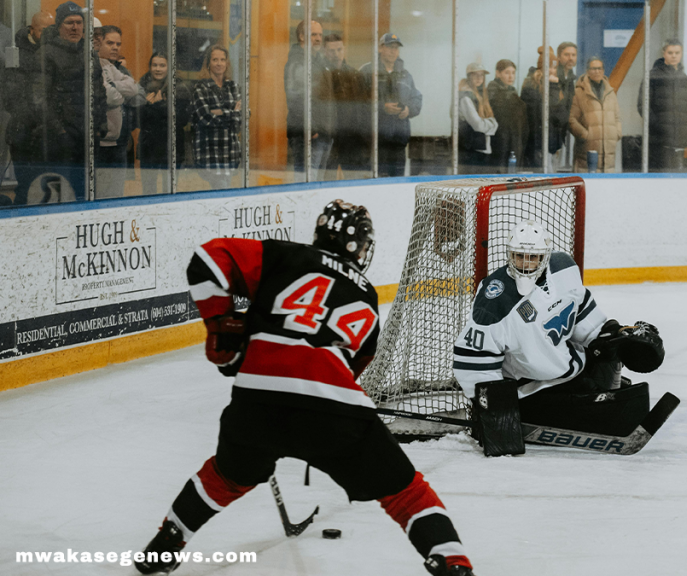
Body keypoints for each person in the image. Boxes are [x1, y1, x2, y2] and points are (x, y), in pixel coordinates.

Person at [134, 201, 476, 576]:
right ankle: (451, 560)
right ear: (356, 247)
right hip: (334, 409)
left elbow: (207, 260)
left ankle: (167, 542)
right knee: (404, 491)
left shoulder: (281, 255)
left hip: (257, 400)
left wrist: (222, 326)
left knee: (227, 475)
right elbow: (350, 370)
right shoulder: (367, 298)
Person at [453, 220, 664, 457]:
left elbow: (580, 308)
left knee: (610, 354)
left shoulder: (563, 268)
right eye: (519, 256)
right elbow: (471, 360)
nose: (525, 264)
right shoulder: (496, 301)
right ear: (509, 255)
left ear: (545, 256)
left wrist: (612, 332)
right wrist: (494, 413)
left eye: (532, 257)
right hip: (528, 387)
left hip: (569, 366)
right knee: (616, 411)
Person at [40, 1, 106, 201]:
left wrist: (100, 124)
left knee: (86, 193)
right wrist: (59, 131)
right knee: (59, 195)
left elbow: (99, 93)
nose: (75, 27)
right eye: (70, 22)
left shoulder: (89, 54)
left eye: (79, 22)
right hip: (60, 139)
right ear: (59, 25)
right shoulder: (45, 54)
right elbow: (39, 98)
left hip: (87, 137)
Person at [6, 11, 53, 205]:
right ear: (32, 29)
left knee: (48, 184)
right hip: (23, 128)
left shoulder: (54, 52)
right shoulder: (15, 51)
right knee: (25, 184)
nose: (48, 35)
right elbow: (11, 92)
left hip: (48, 129)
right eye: (43, 30)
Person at [360, 32, 422, 178]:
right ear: (380, 48)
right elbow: (358, 103)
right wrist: (382, 108)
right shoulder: (367, 72)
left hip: (398, 142)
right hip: (375, 142)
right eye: (389, 47)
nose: (393, 51)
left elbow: (417, 98)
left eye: (396, 48)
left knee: (397, 184)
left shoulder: (406, 75)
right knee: (375, 185)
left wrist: (408, 109)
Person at [94, 26, 143, 199]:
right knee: (99, 195)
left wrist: (114, 87)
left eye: (118, 44)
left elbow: (136, 92)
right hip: (100, 143)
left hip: (120, 141)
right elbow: (109, 97)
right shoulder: (94, 65)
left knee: (116, 196)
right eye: (110, 43)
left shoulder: (118, 69)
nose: (115, 47)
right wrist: (120, 93)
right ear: (98, 43)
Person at [284, 20, 334, 181]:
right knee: (306, 185)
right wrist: (311, 129)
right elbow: (296, 98)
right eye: (313, 34)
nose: (319, 38)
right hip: (309, 136)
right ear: (301, 37)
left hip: (324, 134)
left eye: (320, 34)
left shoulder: (320, 61)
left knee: (317, 186)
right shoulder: (298, 62)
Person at [137, 52, 192, 195]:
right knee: (148, 191)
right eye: (154, 65)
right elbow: (137, 121)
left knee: (170, 191)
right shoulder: (141, 86)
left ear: (169, 67)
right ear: (149, 67)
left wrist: (159, 105)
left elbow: (182, 120)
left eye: (162, 65)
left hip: (172, 147)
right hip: (149, 147)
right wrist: (148, 106)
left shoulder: (180, 87)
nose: (158, 69)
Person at [191, 44, 241, 190]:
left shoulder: (233, 86)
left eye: (222, 60)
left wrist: (220, 112)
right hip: (210, 151)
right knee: (220, 190)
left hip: (230, 151)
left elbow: (243, 117)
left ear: (227, 63)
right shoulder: (201, 87)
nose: (219, 63)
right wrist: (232, 113)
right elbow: (206, 118)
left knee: (225, 191)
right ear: (208, 63)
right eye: (215, 60)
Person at [639, 39, 687, 172]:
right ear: (664, 53)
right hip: (659, 142)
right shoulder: (652, 77)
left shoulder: (686, 79)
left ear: (681, 54)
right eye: (670, 52)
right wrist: (658, 126)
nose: (674, 56)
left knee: (680, 181)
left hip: (681, 141)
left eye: (677, 52)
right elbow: (642, 105)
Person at [322, 33, 369, 177]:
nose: (336, 54)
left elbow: (363, 108)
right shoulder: (320, 73)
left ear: (344, 50)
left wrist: (363, 137)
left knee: (353, 182)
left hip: (352, 139)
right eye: (331, 50)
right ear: (325, 51)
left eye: (339, 49)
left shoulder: (355, 75)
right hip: (329, 137)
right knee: (326, 180)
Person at [569, 56, 621, 173]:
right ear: (587, 71)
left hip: (609, 150)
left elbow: (617, 117)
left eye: (599, 68)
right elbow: (572, 119)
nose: (597, 71)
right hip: (587, 149)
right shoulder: (579, 92)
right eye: (593, 69)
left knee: (607, 186)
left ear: (603, 71)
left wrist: (617, 133)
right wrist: (585, 135)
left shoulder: (610, 92)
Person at [520, 46, 561, 170]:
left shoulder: (551, 85)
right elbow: (547, 112)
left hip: (550, 146)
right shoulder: (531, 87)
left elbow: (559, 117)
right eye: (550, 67)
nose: (553, 71)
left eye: (555, 68)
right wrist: (553, 86)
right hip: (537, 147)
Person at [457, 63, 498, 174]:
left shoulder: (479, 96)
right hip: (471, 151)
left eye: (482, 75)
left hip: (480, 149)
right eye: (476, 75)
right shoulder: (466, 97)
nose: (480, 78)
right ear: (469, 77)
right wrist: (493, 123)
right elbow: (478, 125)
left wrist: (489, 123)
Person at [488, 59, 527, 173]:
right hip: (499, 138)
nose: (511, 76)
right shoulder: (492, 89)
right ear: (498, 73)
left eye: (513, 73)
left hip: (512, 137)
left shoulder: (512, 91)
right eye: (507, 72)